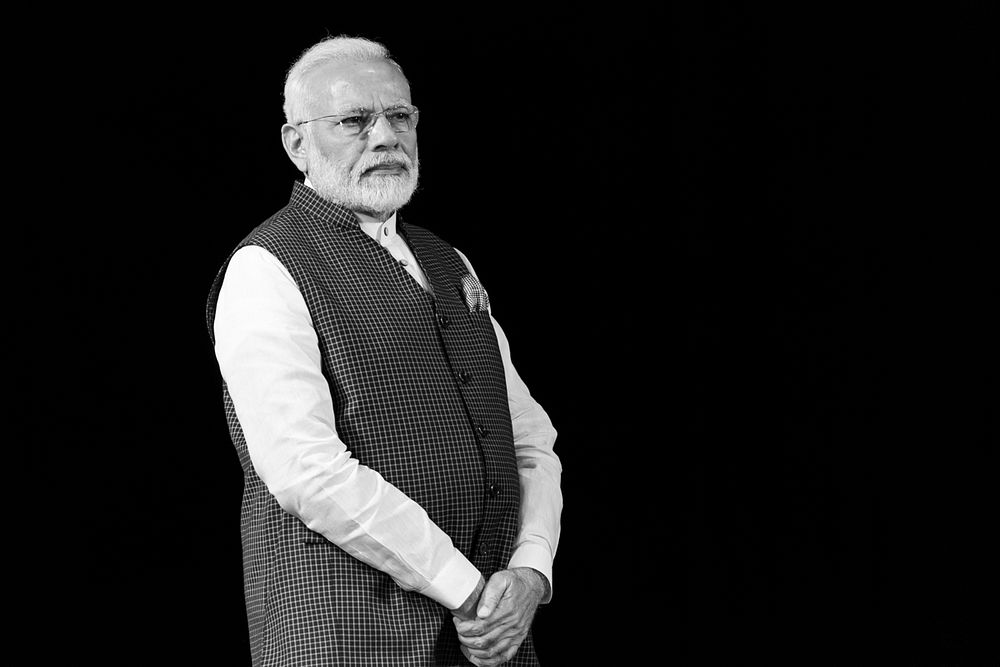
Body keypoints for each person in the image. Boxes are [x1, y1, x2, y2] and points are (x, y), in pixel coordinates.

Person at [206, 35, 562, 667]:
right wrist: (467, 588)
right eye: (354, 121)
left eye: (400, 117)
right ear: (296, 144)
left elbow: (528, 436)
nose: (385, 137)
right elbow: (304, 471)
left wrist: (531, 568)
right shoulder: (266, 267)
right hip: (345, 632)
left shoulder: (447, 260)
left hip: (491, 629)